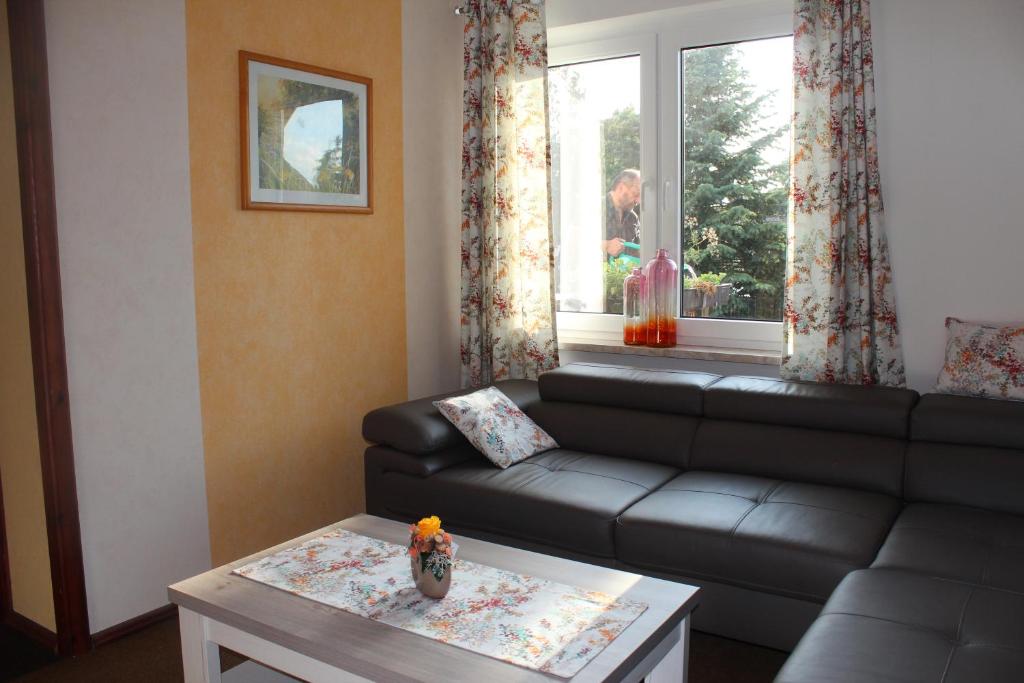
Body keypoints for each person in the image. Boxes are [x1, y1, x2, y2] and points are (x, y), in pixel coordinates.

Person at [602, 169, 641, 261]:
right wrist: (606, 245)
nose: (638, 201)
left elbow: (637, 250)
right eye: (636, 194)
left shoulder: (633, 217)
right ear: (621, 188)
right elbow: (572, 243)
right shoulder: (593, 208)